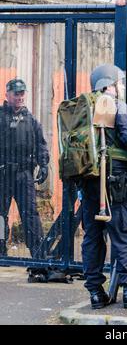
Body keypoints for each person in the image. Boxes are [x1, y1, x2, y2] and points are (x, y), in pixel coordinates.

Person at [80, 64, 127, 310]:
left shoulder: (83, 110)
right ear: (109, 85)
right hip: (116, 180)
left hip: (89, 181)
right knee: (125, 231)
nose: (122, 87)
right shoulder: (116, 106)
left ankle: (96, 293)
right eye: (120, 83)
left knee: (92, 236)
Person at [0, 78, 49, 258]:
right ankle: (0, 252)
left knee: (30, 215)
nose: (20, 97)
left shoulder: (31, 121)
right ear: (7, 95)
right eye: (16, 93)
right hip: (3, 174)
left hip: (24, 175)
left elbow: (41, 145)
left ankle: (38, 254)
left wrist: (43, 164)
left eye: (22, 93)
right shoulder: (0, 117)